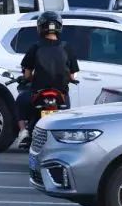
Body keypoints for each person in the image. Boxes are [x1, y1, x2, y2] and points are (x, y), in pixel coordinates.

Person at [16, 11, 78, 148]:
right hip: (61, 93)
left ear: (40, 27)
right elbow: (72, 76)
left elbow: (27, 75)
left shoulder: (35, 47)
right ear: (59, 27)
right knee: (66, 114)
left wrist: (29, 78)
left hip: (38, 92)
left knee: (20, 100)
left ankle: (23, 132)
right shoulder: (66, 47)